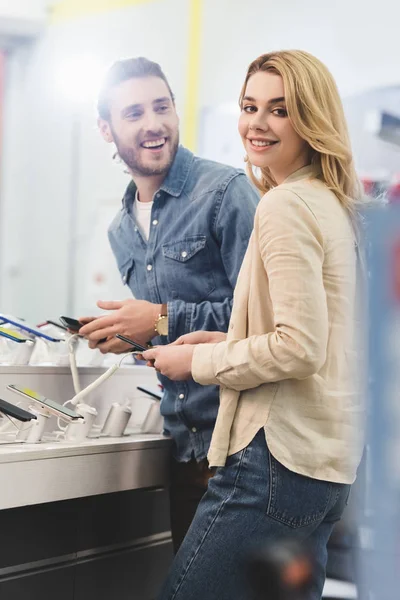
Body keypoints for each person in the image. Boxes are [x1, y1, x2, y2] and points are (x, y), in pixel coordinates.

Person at [143, 49, 365, 600]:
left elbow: (300, 348)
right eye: (249, 106)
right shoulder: (333, 203)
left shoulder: (285, 206)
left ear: (311, 120)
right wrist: (226, 340)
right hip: (326, 467)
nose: (257, 124)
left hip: (275, 461)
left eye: (279, 109)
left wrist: (195, 361)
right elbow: (323, 338)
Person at [78, 57, 259, 552]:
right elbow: (174, 335)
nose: (153, 124)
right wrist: (135, 335)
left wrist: (160, 316)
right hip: (185, 448)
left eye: (162, 107)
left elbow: (269, 319)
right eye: (133, 113)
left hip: (247, 449)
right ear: (106, 129)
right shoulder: (120, 229)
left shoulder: (226, 193)